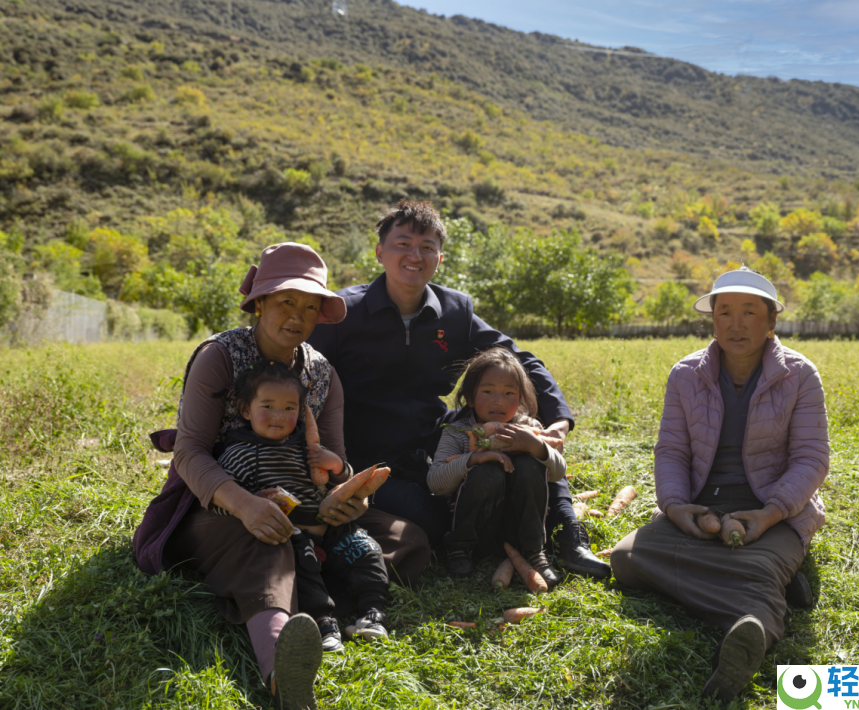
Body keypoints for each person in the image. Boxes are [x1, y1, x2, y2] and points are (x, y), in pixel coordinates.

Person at [133, 243, 430, 710]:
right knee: (267, 540)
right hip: (221, 504)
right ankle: (281, 672)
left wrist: (346, 495)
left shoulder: (322, 373)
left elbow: (335, 461)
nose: (298, 315)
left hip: (306, 508)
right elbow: (189, 452)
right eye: (286, 301)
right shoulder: (221, 356)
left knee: (406, 537)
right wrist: (246, 504)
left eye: (311, 306)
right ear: (259, 303)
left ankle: (309, 582)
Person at [307, 200, 610, 579]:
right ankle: (488, 536)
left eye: (427, 247)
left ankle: (569, 537)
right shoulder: (342, 313)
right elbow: (304, 377)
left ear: (440, 257)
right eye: (403, 244)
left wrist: (558, 422)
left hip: (438, 439)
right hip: (373, 455)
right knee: (434, 524)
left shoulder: (455, 310)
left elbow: (521, 360)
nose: (415, 256)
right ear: (380, 252)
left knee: (525, 433)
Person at [610, 267, 829, 703]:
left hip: (774, 509)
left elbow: (811, 459)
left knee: (762, 560)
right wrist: (675, 508)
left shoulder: (799, 375)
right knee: (626, 557)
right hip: (702, 505)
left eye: (750, 312)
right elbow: (671, 450)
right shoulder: (687, 374)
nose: (736, 322)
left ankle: (755, 621)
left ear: (771, 322)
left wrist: (769, 515)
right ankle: (768, 588)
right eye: (724, 311)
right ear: (713, 320)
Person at [215, 360, 390, 653]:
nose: (278, 416)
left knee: (366, 548)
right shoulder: (239, 454)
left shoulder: (307, 449)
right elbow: (223, 502)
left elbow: (345, 481)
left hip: (329, 525)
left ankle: (371, 612)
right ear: (245, 411)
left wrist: (334, 464)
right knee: (301, 561)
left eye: (289, 408)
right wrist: (250, 503)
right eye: (267, 406)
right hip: (291, 532)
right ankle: (323, 622)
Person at [428, 348, 567, 586]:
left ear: (521, 398)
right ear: (470, 397)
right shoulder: (458, 432)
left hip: (518, 530)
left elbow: (557, 474)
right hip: (477, 532)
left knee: (528, 464)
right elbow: (436, 483)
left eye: (509, 392)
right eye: (488, 391)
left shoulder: (529, 428)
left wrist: (536, 447)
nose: (499, 401)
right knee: (487, 470)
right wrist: (472, 460)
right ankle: (459, 548)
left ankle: (533, 551)